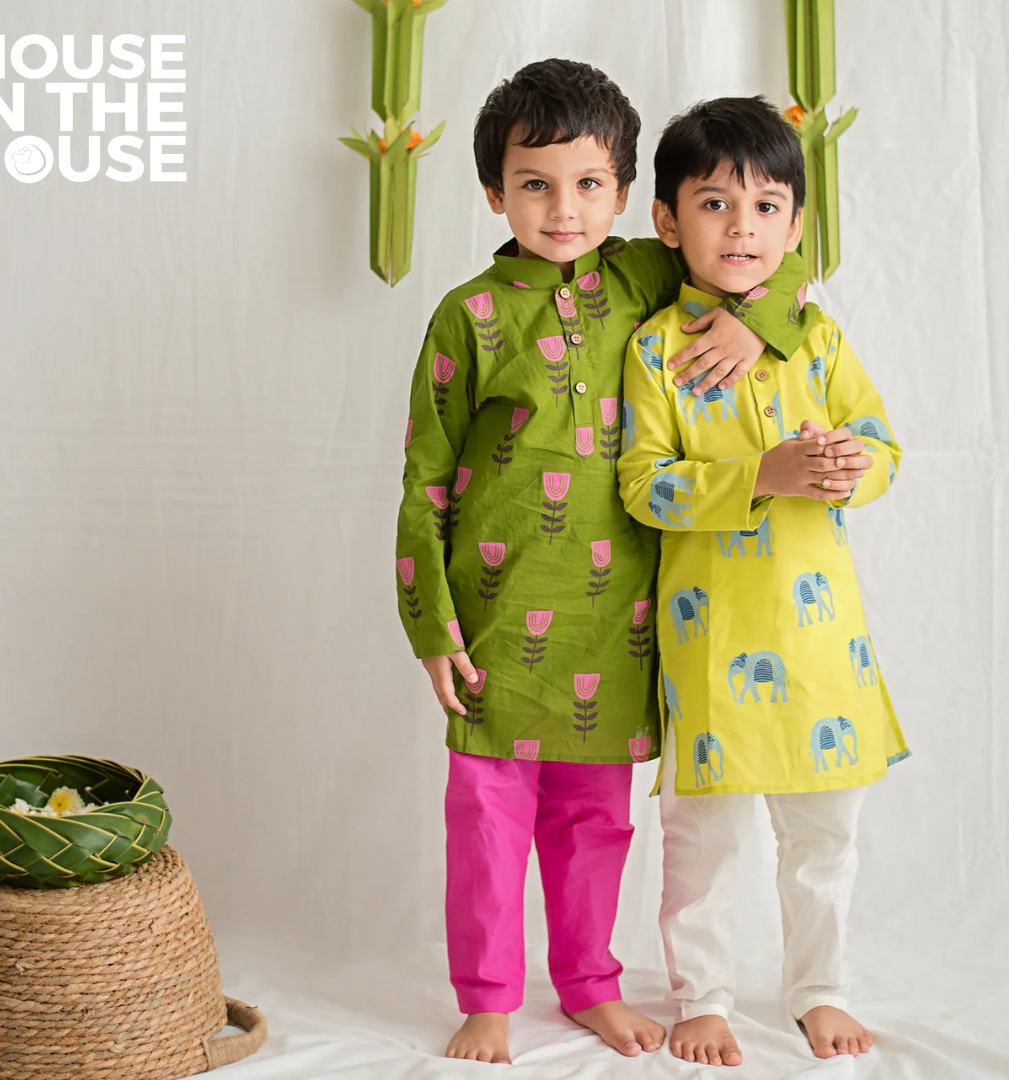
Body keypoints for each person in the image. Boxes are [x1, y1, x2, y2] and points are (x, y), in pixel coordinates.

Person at [395, 61, 820, 1065]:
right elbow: (425, 480)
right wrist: (431, 625)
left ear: (628, 194)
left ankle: (589, 984)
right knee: (488, 821)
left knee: (596, 822)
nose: (564, 209)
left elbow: (779, 256)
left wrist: (751, 322)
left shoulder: (644, 276)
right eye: (534, 184)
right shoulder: (467, 315)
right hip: (495, 619)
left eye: (589, 184)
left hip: (621, 619)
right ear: (494, 192)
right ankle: (489, 999)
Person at [617, 95, 910, 1067]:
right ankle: (702, 997)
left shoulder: (816, 339)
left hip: (821, 647)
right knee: (703, 842)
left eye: (767, 206)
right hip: (713, 645)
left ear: (795, 226)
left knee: (825, 839)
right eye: (715, 203)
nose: (742, 227)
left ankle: (818, 988)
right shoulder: (655, 351)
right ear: (668, 222)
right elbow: (645, 486)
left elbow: (883, 445)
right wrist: (761, 476)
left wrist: (854, 467)